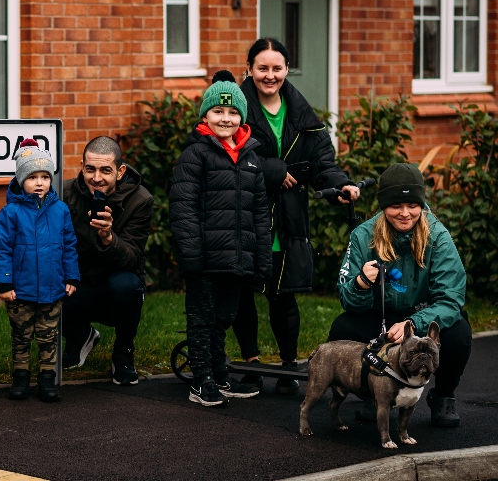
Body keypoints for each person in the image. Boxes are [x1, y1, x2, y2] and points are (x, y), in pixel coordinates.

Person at [230, 37, 360, 395]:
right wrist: (270, 170)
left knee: (282, 294)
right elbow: (223, 154)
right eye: (262, 68)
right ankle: (250, 365)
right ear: (250, 69)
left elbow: (323, 163)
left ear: (287, 69)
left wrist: (341, 186)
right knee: (243, 292)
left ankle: (289, 367)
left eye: (276, 68)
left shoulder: (302, 113)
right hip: (246, 217)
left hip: (288, 219)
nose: (269, 75)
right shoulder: (235, 109)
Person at [330, 162, 471, 427]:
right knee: (342, 329)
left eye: (412, 206)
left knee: (459, 334)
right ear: (383, 206)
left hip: (421, 315)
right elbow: (349, 301)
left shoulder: (438, 237)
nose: (405, 214)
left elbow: (451, 299)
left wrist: (414, 323)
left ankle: (443, 395)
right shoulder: (363, 236)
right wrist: (361, 283)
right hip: (381, 314)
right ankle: (373, 393)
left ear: (421, 204)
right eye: (396, 206)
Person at [170, 72, 273, 406]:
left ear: (241, 117)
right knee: (201, 320)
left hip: (236, 258)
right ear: (205, 115)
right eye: (217, 112)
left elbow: (259, 212)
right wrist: (190, 256)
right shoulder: (195, 155)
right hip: (203, 260)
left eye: (232, 113)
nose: (225, 118)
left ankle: (218, 374)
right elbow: (183, 209)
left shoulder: (251, 157)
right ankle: (201, 381)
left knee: (223, 318)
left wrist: (261, 258)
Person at [60, 136, 154, 385]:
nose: (96, 177)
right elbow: (28, 218)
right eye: (90, 169)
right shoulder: (64, 193)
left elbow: (132, 258)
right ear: (81, 166)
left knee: (127, 285)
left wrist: (108, 238)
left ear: (120, 171)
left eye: (106, 170)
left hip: (115, 288)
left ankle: (123, 353)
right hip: (77, 283)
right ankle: (80, 336)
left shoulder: (140, 201)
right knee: (39, 281)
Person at [0, 139, 81, 402]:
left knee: (48, 337)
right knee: (21, 337)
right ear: (21, 180)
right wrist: (5, 284)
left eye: (45, 176)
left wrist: (71, 276)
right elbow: (3, 250)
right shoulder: (10, 213)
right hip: (20, 290)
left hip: (53, 289)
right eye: (33, 177)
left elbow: (69, 246)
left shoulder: (60, 210)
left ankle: (47, 381)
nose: (40, 182)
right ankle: (20, 379)